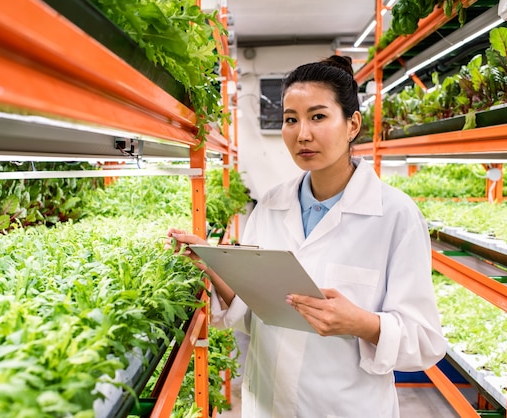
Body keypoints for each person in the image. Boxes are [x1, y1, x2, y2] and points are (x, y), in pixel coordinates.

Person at [166, 55, 446, 417]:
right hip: (268, 404)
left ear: (352, 124)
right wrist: (212, 261)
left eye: (318, 116)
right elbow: (253, 308)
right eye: (290, 120)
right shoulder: (270, 205)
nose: (302, 134)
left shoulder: (395, 215)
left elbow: (425, 340)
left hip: (346, 408)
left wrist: (361, 323)